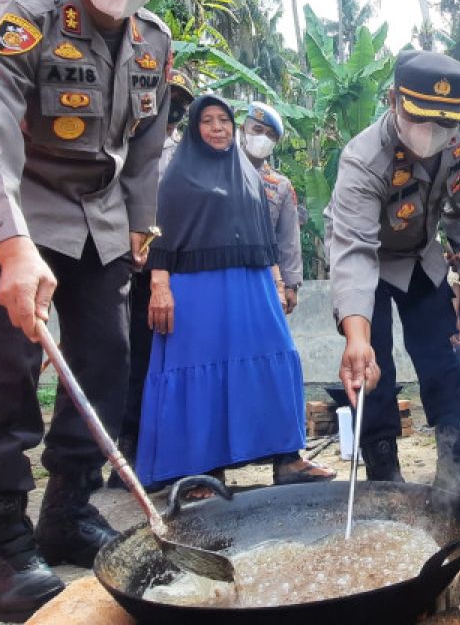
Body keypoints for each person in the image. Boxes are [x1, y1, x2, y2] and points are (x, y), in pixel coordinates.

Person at [0, 0, 174, 620]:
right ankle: (1, 547)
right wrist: (11, 249)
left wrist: (141, 225)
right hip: (16, 211)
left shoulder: (154, 42)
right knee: (2, 374)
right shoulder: (20, 22)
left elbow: (144, 149)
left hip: (100, 224)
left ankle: (67, 511)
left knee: (105, 363)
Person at [136, 95, 332, 488]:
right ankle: (201, 473)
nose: (217, 128)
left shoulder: (247, 174)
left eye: (223, 120)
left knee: (274, 359)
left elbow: (263, 234)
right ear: (195, 128)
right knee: (200, 375)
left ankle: (287, 459)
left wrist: (277, 282)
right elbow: (159, 235)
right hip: (196, 290)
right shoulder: (176, 176)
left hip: (252, 285)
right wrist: (159, 286)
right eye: (207, 121)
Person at [326, 49, 460, 505]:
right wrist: (355, 336)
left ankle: (454, 463)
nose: (433, 133)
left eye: (444, 123)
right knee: (373, 363)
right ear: (393, 100)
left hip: (421, 254)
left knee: (442, 355)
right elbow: (354, 251)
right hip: (370, 260)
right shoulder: (363, 159)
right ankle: (384, 471)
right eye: (421, 119)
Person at [110, 69, 195, 490]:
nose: (172, 107)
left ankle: (165, 454)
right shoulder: (123, 145)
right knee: (125, 362)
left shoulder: (187, 153)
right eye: (167, 97)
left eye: (180, 101)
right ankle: (123, 453)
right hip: (124, 265)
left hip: (170, 273)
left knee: (166, 365)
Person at [240, 101, 303, 313]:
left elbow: (288, 239)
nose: (263, 138)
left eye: (270, 135)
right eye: (257, 130)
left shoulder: (280, 186)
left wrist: (291, 284)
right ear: (243, 130)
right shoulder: (218, 171)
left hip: (266, 277)